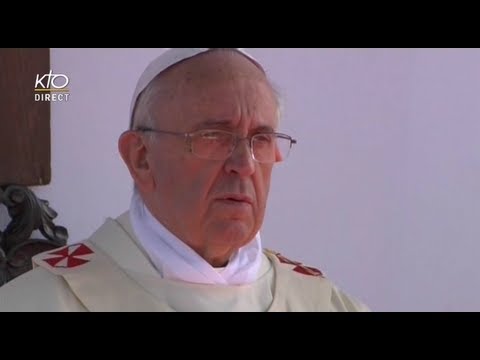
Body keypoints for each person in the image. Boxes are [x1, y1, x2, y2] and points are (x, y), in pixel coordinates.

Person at [0, 48, 369, 311]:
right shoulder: (42, 302)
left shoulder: (324, 303)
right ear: (141, 158)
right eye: (214, 136)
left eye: (262, 139)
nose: (245, 164)